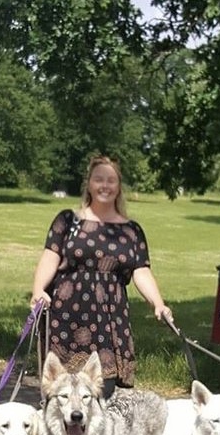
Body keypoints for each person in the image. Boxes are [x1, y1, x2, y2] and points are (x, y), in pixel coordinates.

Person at [30, 155, 173, 397]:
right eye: (99, 179)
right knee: (60, 393)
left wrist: (158, 304)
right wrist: (38, 290)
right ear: (89, 184)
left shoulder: (131, 231)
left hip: (109, 322)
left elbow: (141, 270)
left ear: (119, 187)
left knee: (101, 393)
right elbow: (50, 256)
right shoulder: (68, 220)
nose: (105, 186)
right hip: (66, 317)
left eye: (111, 180)